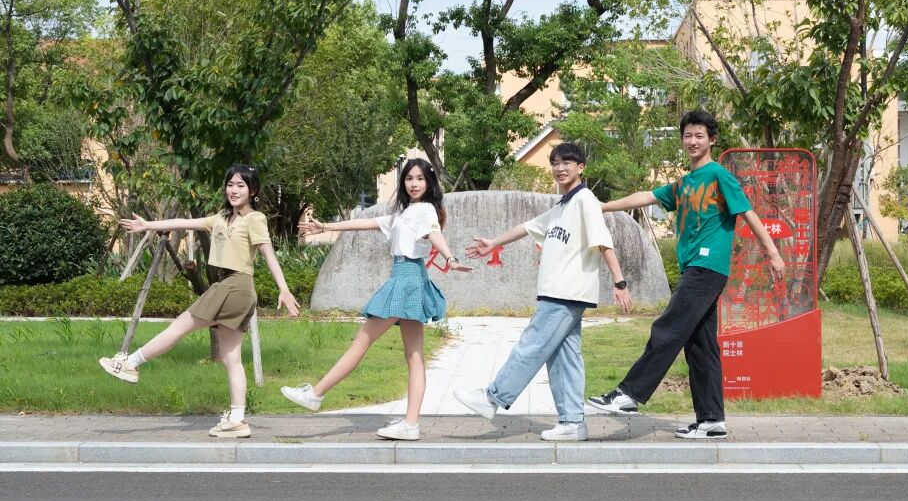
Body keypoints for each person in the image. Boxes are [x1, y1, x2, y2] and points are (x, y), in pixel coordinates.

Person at [586, 110, 785, 439]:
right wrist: (603, 206)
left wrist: (772, 252)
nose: (692, 141)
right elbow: (647, 196)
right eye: (688, 135)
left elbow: (747, 212)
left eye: (699, 136)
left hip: (708, 266)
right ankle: (711, 420)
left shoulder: (718, 175)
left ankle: (629, 394)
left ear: (712, 140)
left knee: (668, 327)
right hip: (695, 267)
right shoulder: (683, 183)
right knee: (700, 346)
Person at [100, 164, 301, 439]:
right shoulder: (220, 218)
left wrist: (284, 289)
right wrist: (148, 225)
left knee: (179, 327)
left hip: (235, 285)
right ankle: (238, 419)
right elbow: (184, 222)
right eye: (230, 184)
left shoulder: (255, 219)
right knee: (231, 358)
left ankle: (131, 363)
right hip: (231, 287)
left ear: (253, 191)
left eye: (241, 185)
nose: (234, 190)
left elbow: (268, 253)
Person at [280, 158, 470, 441]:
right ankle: (410, 424)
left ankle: (316, 394)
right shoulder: (403, 214)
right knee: (414, 356)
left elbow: (434, 233)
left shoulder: (426, 210)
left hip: (406, 278)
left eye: (420, 178)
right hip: (409, 278)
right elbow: (366, 222)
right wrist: (326, 227)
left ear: (429, 182)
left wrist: (450, 258)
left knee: (363, 341)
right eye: (409, 178)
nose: (414, 183)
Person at [454, 142, 633, 442]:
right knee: (565, 359)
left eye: (567, 162)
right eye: (555, 163)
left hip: (566, 292)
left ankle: (492, 398)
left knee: (532, 345)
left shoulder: (585, 199)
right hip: (561, 292)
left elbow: (603, 241)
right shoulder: (561, 206)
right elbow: (527, 227)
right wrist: (494, 242)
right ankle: (572, 422)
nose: (560, 168)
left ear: (581, 167)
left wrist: (619, 282)